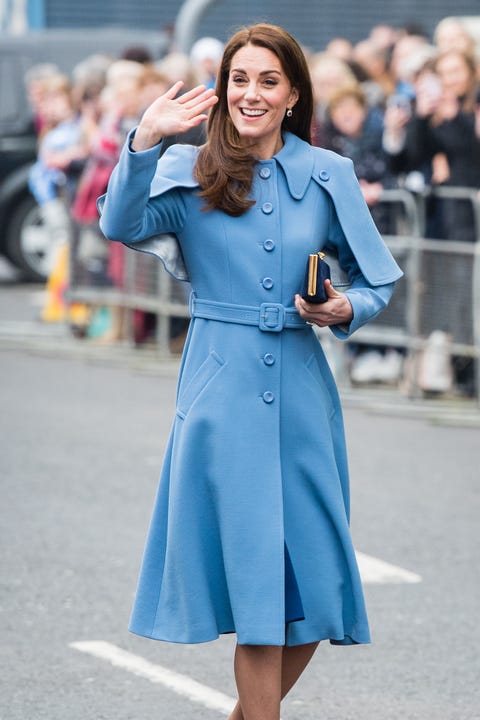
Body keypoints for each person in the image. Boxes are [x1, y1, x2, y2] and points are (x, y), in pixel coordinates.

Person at [99, 23, 402, 720]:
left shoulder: (330, 174)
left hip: (302, 390)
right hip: (219, 389)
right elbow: (119, 222)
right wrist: (143, 141)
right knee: (260, 588)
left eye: (269, 81)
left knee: (320, 580)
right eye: (240, 79)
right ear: (223, 88)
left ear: (293, 93)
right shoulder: (188, 169)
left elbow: (378, 279)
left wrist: (342, 307)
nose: (252, 93)